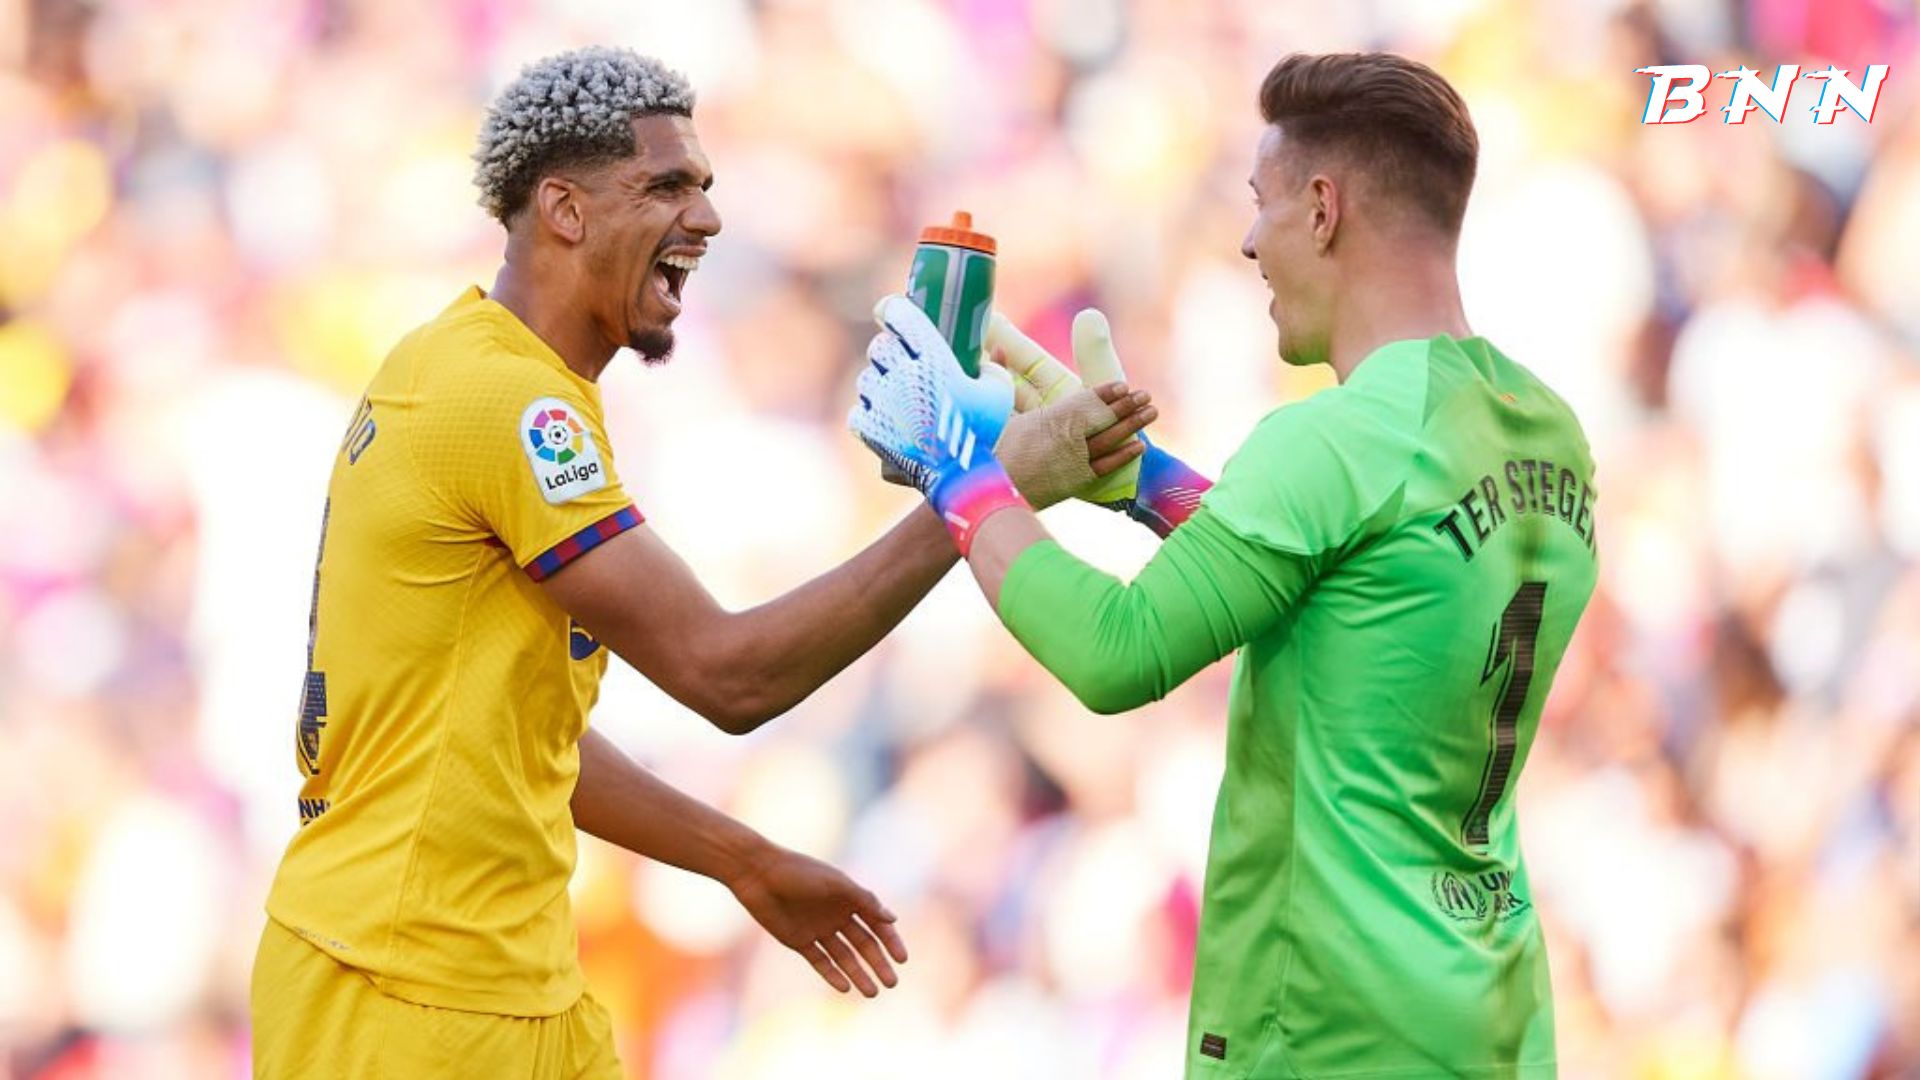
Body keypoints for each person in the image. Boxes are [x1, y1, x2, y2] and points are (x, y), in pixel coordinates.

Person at [251, 46, 1152, 1079]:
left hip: (508, 985)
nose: (710, 219)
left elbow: (514, 737)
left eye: (707, 187)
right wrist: (978, 490)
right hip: (399, 994)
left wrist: (741, 860)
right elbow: (731, 676)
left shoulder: (491, 374)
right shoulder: (506, 403)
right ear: (565, 209)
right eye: (667, 186)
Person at [851, 51, 1598, 1077]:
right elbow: (1363, 584)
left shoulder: (1333, 439)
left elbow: (1116, 653)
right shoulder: (1543, 426)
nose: (1248, 241)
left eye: (1262, 202)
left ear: (1325, 209)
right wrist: (1142, 480)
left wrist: (957, 471)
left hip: (1334, 1030)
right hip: (1493, 1010)